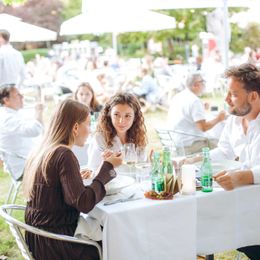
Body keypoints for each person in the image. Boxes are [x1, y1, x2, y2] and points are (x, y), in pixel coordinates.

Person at [23, 99, 122, 260]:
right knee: (118, 240)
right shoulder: (64, 155)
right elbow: (84, 203)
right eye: (88, 124)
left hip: (38, 239)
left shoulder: (42, 150)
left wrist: (75, 178)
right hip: (58, 244)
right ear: (76, 127)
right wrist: (107, 167)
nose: (90, 131)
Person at [186, 63, 260, 259]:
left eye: (233, 94)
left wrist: (244, 176)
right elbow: (224, 151)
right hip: (244, 203)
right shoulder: (234, 120)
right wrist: (194, 159)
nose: (226, 100)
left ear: (253, 96)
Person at [167, 72, 226, 155]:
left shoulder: (179, 96)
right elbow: (203, 127)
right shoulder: (194, 101)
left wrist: (200, 107)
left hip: (176, 142)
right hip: (190, 145)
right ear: (195, 85)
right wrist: (219, 119)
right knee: (224, 148)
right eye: (202, 82)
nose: (204, 85)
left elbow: (186, 113)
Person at [87, 93, 147, 171]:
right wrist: (106, 164)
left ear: (135, 117)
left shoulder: (138, 136)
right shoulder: (100, 138)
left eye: (127, 116)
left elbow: (142, 166)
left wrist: (150, 162)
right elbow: (92, 171)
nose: (121, 121)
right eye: (116, 115)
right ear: (109, 115)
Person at [0, 84, 43, 180]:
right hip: (23, 167)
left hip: (27, 160)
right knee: (61, 162)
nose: (22, 97)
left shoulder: (10, 114)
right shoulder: (7, 118)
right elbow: (34, 131)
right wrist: (38, 112)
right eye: (18, 95)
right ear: (6, 100)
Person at [73, 82, 103, 166]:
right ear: (76, 95)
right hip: (79, 142)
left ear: (92, 95)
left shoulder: (99, 109)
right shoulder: (72, 111)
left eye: (87, 94)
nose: (84, 97)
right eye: (81, 94)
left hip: (95, 140)